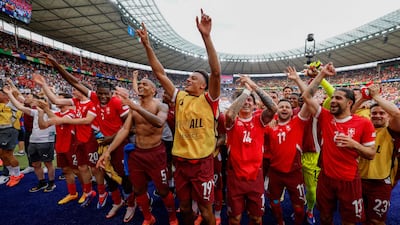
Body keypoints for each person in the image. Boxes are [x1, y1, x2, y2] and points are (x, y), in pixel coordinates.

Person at [135, 9, 221, 225]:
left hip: (202, 164)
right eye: (188, 77)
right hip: (181, 164)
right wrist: (147, 45)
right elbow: (160, 74)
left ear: (203, 85)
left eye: (193, 78)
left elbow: (216, 72)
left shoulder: (210, 99)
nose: (188, 80)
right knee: (184, 207)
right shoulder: (179, 96)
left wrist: (206, 36)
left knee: (205, 208)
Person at [302, 62, 376, 225]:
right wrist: (321, 74)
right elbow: (306, 97)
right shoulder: (326, 116)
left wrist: (354, 144)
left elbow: (371, 154)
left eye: (338, 98)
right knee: (325, 216)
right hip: (326, 178)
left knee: (349, 220)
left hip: (349, 180)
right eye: (332, 97)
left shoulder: (363, 123)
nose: (333, 101)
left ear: (349, 103)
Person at [224, 76, 277, 225]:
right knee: (235, 219)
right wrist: (246, 91)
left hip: (255, 178)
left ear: (255, 105)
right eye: (243, 100)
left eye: (249, 101)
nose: (246, 102)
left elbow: (273, 108)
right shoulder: (231, 121)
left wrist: (253, 86)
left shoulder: (259, 119)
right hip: (235, 178)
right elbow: (229, 114)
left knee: (256, 218)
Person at [265, 67, 310, 225]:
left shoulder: (298, 122)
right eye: (281, 107)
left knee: (298, 206)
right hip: (275, 173)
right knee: (274, 201)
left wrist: (297, 79)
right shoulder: (269, 126)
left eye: (287, 107)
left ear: (293, 111)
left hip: (294, 173)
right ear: (276, 110)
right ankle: (279, 222)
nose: (284, 108)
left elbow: (309, 97)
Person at [358, 84, 400, 225]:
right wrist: (363, 99)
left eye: (381, 113)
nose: (377, 116)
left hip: (381, 183)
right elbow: (347, 114)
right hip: (359, 179)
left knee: (376, 221)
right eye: (374, 113)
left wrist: (376, 96)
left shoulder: (391, 131)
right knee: (362, 217)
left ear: (388, 116)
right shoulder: (363, 128)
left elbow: (397, 114)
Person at [3, 86, 56, 192]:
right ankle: (42, 182)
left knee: (48, 163)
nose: (38, 103)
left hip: (46, 142)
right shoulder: (35, 112)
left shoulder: (53, 113)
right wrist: (9, 94)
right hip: (33, 141)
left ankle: (51, 183)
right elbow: (20, 106)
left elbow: (43, 125)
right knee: (35, 164)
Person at [36, 94, 82, 203]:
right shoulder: (56, 114)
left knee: (77, 170)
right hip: (60, 146)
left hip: (72, 146)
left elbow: (61, 121)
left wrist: (46, 109)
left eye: (60, 99)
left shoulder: (72, 113)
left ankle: (86, 191)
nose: (56, 100)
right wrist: (41, 114)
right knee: (66, 170)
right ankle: (72, 193)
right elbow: (43, 126)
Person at [0, 87, 24, 187]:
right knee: (2, 154)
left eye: (1, 94)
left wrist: (10, 87)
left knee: (8, 153)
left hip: (9, 130)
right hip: (2, 131)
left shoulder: (12, 104)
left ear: (6, 96)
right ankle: (12, 173)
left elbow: (15, 94)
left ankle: (17, 174)